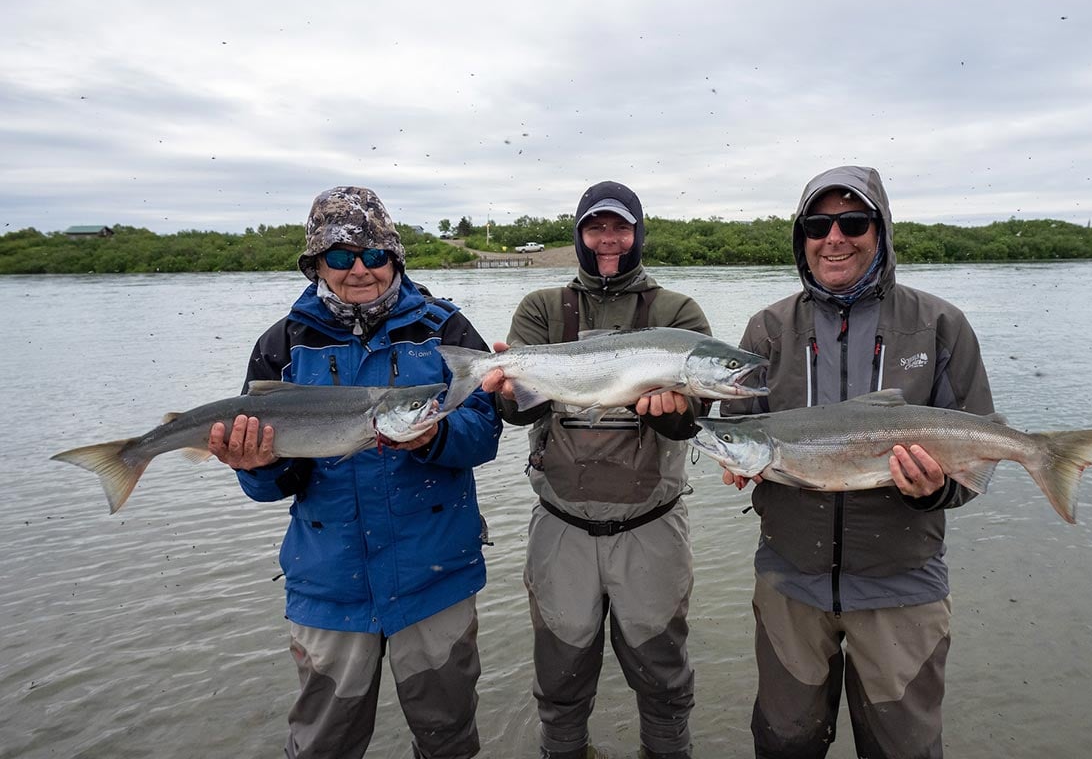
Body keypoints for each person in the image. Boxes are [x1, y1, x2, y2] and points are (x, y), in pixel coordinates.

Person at [207, 186, 501, 759]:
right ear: (317, 263)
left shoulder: (447, 331)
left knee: (449, 739)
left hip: (435, 577)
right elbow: (266, 486)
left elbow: (484, 434)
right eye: (340, 258)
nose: (359, 270)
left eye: (373, 255)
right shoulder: (283, 344)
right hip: (329, 585)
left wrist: (436, 434)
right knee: (324, 745)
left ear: (396, 257)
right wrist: (256, 465)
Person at [720, 166, 994, 759]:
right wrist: (736, 460)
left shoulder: (940, 325)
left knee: (905, 749)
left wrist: (934, 491)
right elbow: (735, 426)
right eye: (818, 224)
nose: (834, 237)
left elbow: (974, 465)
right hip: (790, 583)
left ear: (881, 231)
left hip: (903, 587)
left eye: (853, 221)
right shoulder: (767, 330)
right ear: (802, 237)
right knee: (785, 743)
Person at [480, 181, 707, 759]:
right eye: (596, 227)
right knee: (560, 679)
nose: (609, 239)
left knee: (663, 679)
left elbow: (698, 420)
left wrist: (677, 410)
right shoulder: (541, 307)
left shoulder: (676, 313)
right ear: (579, 234)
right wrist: (508, 391)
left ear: (638, 234)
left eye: (621, 227)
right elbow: (515, 411)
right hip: (562, 526)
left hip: (651, 524)